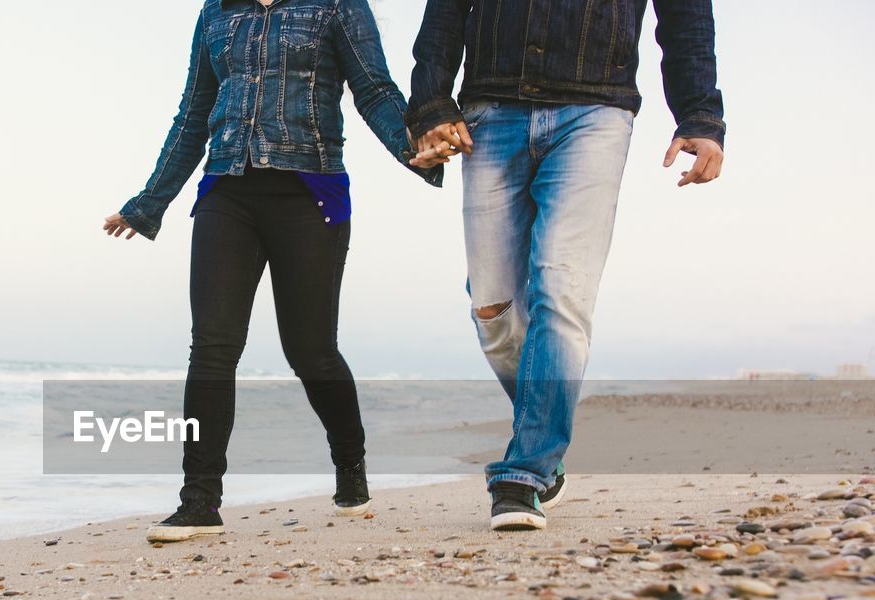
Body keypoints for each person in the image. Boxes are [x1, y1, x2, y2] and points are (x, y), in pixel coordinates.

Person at [105, 0, 441, 543]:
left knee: (310, 352)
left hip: (310, 194)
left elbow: (374, 89)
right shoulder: (217, 12)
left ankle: (349, 462)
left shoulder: (337, 7)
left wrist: (412, 148)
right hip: (227, 190)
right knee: (212, 345)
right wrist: (150, 202)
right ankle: (199, 501)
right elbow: (193, 112)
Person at [406, 0, 725, 531]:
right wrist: (431, 104)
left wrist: (700, 115)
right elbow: (444, 14)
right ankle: (545, 430)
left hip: (595, 113)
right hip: (490, 110)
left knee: (562, 289)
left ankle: (526, 470)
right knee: (493, 309)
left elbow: (686, 20)